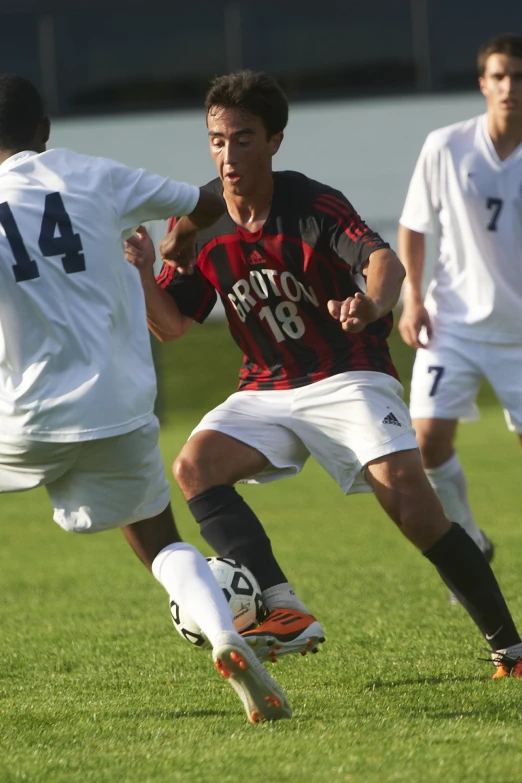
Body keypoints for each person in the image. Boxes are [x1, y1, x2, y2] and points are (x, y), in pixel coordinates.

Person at [126, 69, 522, 678]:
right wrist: (142, 269)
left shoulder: (311, 202)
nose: (228, 155)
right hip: (266, 386)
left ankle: (511, 648)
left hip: (348, 374)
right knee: (193, 466)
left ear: (275, 141)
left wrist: (373, 302)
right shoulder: (197, 218)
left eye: (243, 138)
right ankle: (281, 607)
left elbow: (382, 259)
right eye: (217, 139)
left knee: (416, 511)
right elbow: (173, 325)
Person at [0, 72, 291, 723]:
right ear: (44, 132)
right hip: (118, 408)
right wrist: (183, 229)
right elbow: (207, 200)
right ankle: (225, 635)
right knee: (163, 544)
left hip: (21, 415)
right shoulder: (93, 172)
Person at [398, 33, 522, 621]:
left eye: (519, 77)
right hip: (455, 326)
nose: (510, 87)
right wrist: (412, 297)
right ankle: (470, 538)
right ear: (483, 83)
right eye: (500, 76)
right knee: (425, 441)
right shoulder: (446, 147)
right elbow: (415, 226)